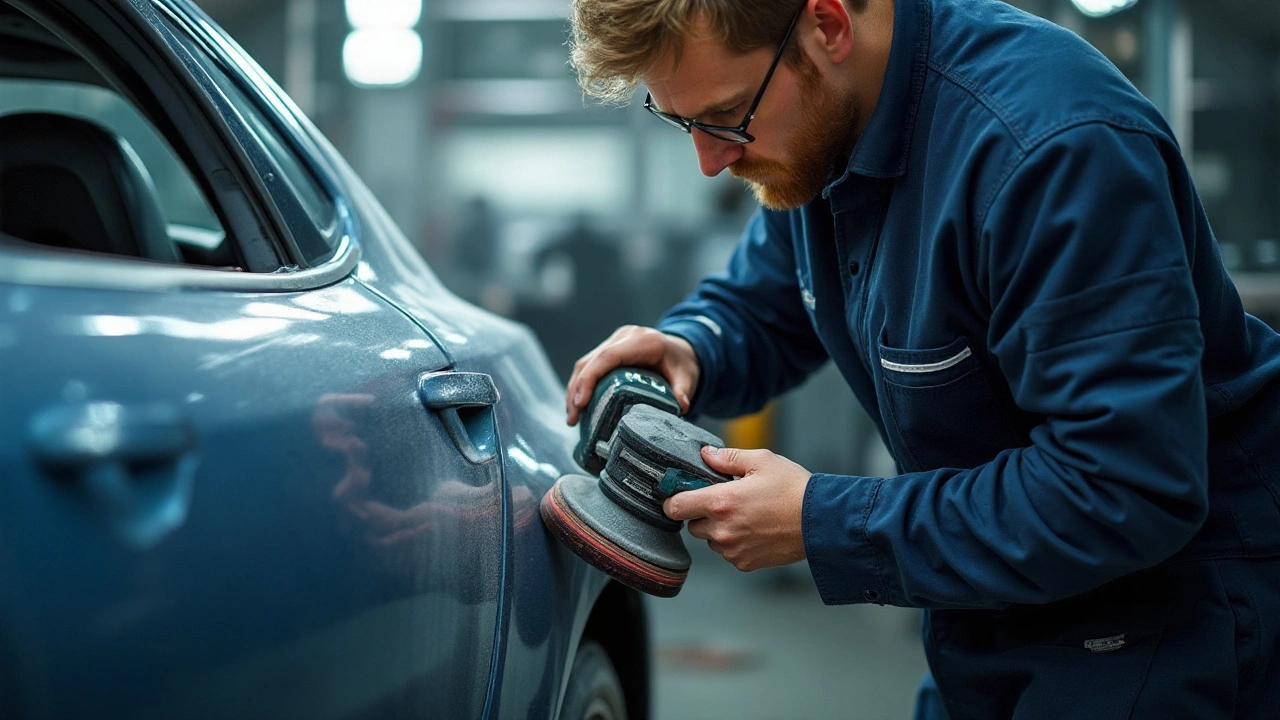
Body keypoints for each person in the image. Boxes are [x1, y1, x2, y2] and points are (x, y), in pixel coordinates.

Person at [560, 0, 1280, 717]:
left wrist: (823, 522)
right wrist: (694, 345)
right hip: (986, 608)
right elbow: (773, 293)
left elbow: (1126, 485)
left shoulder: (1052, 150)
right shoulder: (823, 125)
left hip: (1168, 621)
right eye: (683, 120)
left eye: (726, 115)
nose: (712, 161)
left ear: (829, 24)